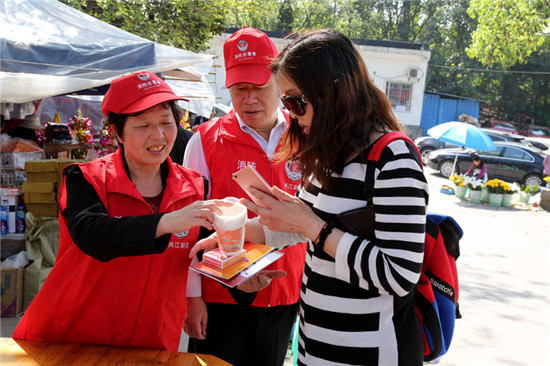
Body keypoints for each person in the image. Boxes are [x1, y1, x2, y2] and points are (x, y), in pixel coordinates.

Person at [192, 28, 429, 366]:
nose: (292, 112)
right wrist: (240, 233)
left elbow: (398, 274)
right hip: (314, 347)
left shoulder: (392, 156)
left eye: (294, 100)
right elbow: (296, 228)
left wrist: (317, 229)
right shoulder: (326, 153)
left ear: (331, 90)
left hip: (367, 352)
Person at [13, 71, 224, 352]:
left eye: (165, 122)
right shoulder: (85, 179)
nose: (158, 135)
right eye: (143, 125)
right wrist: (166, 222)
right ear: (117, 133)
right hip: (75, 338)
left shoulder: (195, 187)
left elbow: (203, 252)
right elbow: (92, 234)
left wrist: (241, 276)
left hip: (153, 341)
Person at [182, 27, 306, 366]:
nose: (248, 99)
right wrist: (193, 296)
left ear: (279, 82)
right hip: (221, 298)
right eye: (239, 89)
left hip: (286, 296)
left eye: (258, 88)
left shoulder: (306, 137)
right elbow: (190, 226)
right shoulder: (204, 141)